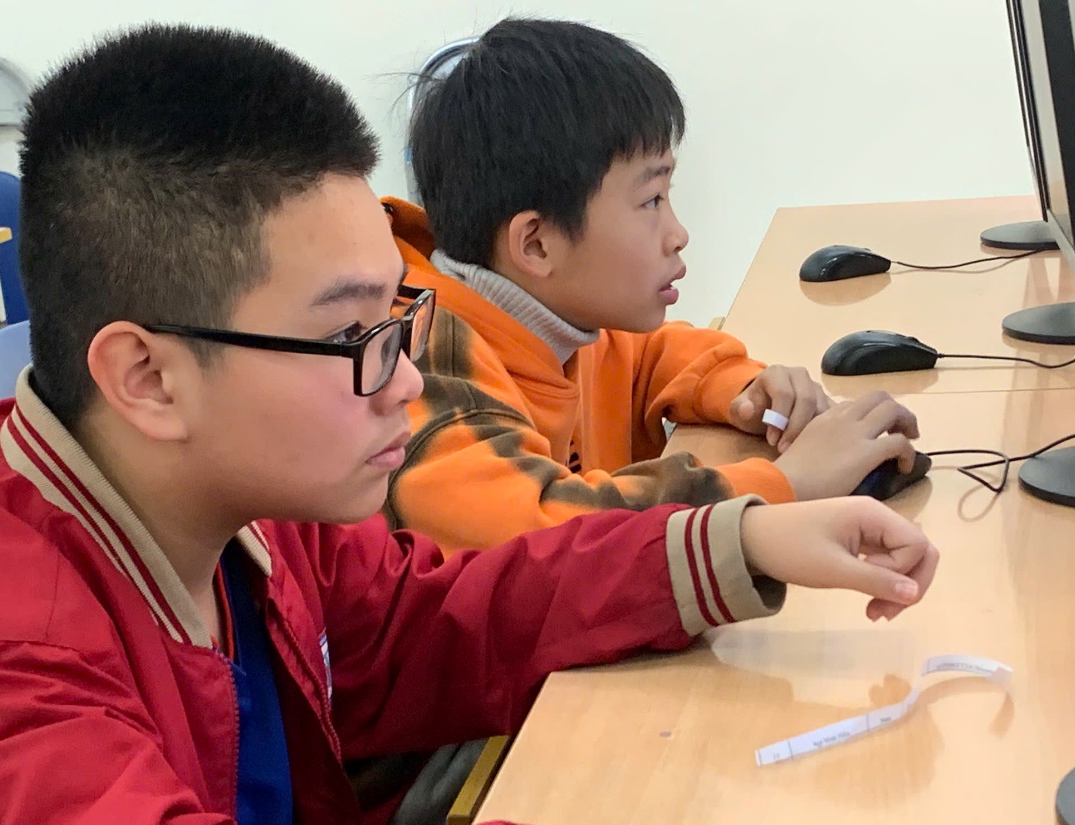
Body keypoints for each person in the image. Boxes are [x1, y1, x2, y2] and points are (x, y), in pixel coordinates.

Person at [0, 25, 1009, 825]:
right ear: (147, 376)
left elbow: (430, 621)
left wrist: (730, 540)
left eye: (398, 326)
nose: (407, 380)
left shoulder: (245, 503)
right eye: (349, 340)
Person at [384, 17, 921, 551]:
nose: (679, 234)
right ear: (536, 245)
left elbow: (646, 357)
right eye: (650, 201)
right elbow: (547, 536)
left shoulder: (559, 315)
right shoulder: (420, 377)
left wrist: (744, 388)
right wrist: (790, 484)